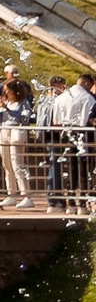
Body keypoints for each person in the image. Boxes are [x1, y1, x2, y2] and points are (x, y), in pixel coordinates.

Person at [0, 63, 41, 207]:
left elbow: (23, 118)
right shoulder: (6, 102)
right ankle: (11, 193)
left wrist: (7, 109)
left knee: (17, 164)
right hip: (4, 132)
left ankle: (26, 195)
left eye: (7, 89)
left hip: (17, 133)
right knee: (7, 164)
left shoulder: (23, 103)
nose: (5, 92)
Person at [47, 68, 95, 209]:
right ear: (86, 83)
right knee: (84, 169)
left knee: (69, 169)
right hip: (84, 135)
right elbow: (89, 120)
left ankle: (71, 201)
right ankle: (82, 202)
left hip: (65, 135)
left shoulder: (61, 98)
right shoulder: (89, 98)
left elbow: (55, 121)